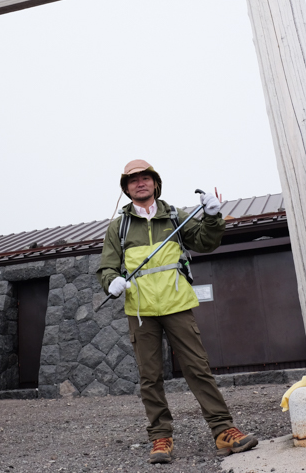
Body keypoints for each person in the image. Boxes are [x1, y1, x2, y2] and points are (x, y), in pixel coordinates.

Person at [97, 159, 258, 464]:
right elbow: (106, 266)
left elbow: (207, 242)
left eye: (146, 178)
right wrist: (111, 281)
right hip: (141, 311)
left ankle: (224, 430)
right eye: (133, 180)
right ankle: (161, 437)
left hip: (177, 306)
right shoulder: (119, 227)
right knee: (150, 376)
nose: (140, 183)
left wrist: (212, 217)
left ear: (155, 184)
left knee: (198, 369)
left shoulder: (175, 217)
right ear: (126, 188)